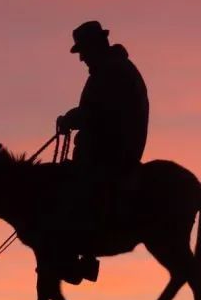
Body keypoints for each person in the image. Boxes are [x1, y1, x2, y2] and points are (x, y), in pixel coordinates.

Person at [56, 20, 149, 283]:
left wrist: (70, 119)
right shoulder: (114, 69)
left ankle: (81, 254)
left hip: (110, 150)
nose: (82, 58)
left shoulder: (110, 72)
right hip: (115, 146)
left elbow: (97, 114)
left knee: (72, 191)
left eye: (83, 51)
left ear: (95, 46)